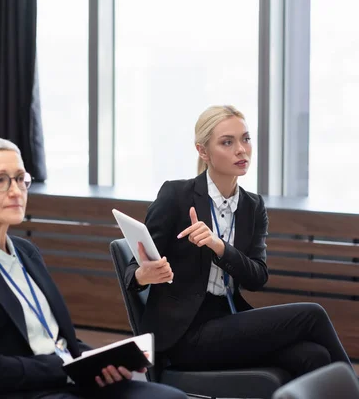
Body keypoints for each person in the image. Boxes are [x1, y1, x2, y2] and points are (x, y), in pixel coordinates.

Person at [0, 136, 187, 399]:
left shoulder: (27, 252)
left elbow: (60, 340)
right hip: (20, 391)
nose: (16, 191)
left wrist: (101, 361)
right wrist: (68, 367)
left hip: (68, 380)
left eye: (20, 179)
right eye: (0, 180)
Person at [124, 105, 353, 379]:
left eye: (245, 139)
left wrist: (219, 246)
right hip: (184, 334)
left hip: (229, 319)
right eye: (227, 142)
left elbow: (258, 278)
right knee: (312, 314)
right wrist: (143, 275)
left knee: (314, 356)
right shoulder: (176, 196)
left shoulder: (252, 206)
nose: (241, 150)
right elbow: (131, 272)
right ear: (203, 151)